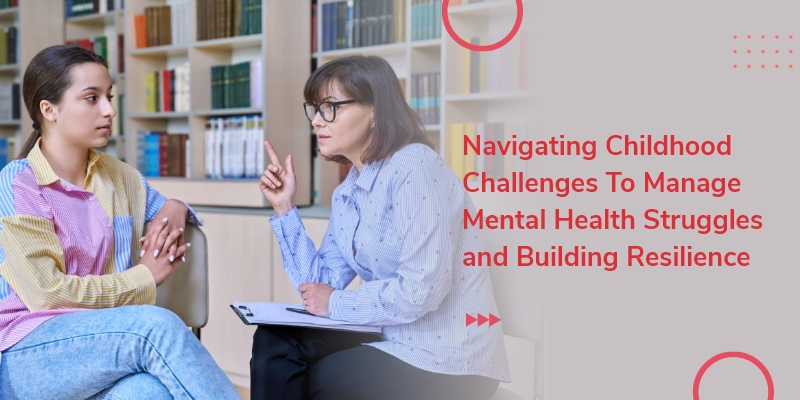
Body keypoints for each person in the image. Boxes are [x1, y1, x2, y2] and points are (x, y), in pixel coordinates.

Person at [252, 55, 510, 400]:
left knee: (323, 377)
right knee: (276, 337)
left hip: (449, 359)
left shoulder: (415, 166)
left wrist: (339, 303)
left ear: (375, 110)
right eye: (314, 108)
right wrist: (284, 207)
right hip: (393, 338)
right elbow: (320, 288)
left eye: (330, 107)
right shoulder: (347, 193)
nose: (316, 121)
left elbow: (423, 289)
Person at [0, 45, 239, 399]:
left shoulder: (120, 176)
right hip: (29, 353)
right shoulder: (19, 182)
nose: (110, 110)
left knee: (146, 391)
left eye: (109, 97)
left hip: (102, 346)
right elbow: (47, 296)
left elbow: (166, 211)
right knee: (154, 325)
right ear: (49, 110)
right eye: (92, 98)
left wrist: (174, 205)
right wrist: (143, 276)